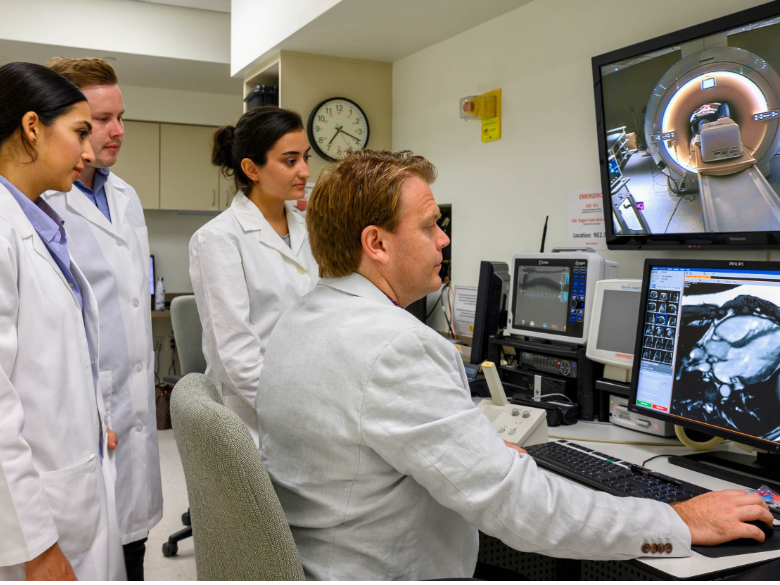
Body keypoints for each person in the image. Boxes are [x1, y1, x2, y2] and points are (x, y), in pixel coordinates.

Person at [255, 149, 775, 580]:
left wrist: (473, 452)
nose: (444, 239)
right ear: (377, 243)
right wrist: (676, 521)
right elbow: (522, 511)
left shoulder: (300, 319)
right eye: (431, 225)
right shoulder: (396, 345)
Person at [0, 62, 124, 580]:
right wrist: (38, 545)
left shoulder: (38, 221)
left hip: (73, 479)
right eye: (80, 133)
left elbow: (48, 358)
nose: (90, 151)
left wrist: (92, 418)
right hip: (36, 526)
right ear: (32, 128)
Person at [41, 57, 163, 581]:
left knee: (132, 548)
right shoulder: (42, 198)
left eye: (120, 117)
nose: (115, 132)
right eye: (98, 120)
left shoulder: (126, 195)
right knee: (86, 549)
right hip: (83, 407)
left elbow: (132, 301)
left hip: (132, 401)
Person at [189, 106, 318, 446]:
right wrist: (300, 409)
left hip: (311, 397)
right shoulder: (218, 239)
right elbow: (234, 355)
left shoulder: (312, 230)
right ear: (251, 168)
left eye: (305, 157)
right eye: (290, 161)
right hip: (252, 417)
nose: (304, 170)